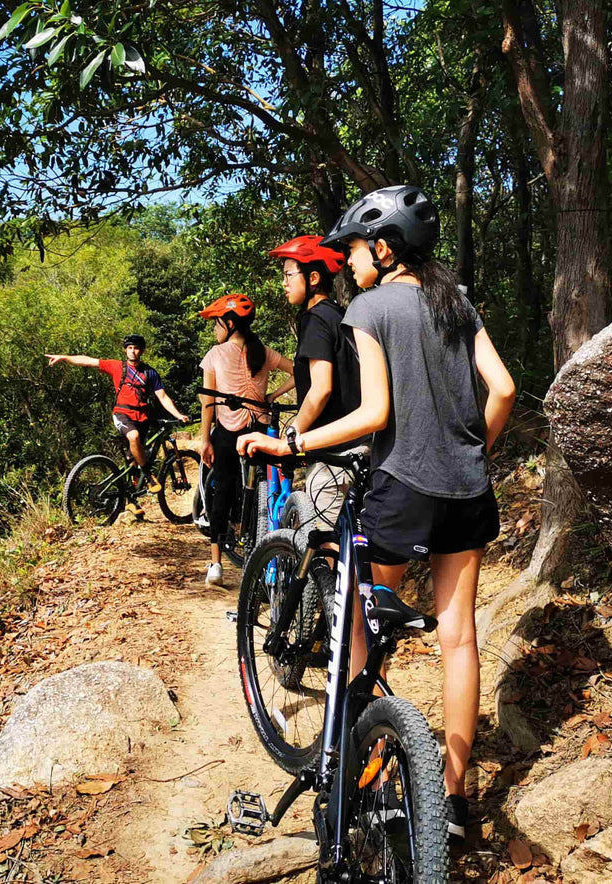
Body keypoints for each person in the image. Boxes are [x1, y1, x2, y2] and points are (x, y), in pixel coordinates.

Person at [239, 186, 516, 842]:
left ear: (384, 249)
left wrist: (291, 443)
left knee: (357, 619)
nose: (347, 263)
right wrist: (468, 453)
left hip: (401, 490)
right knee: (459, 639)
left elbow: (373, 416)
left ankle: (365, 750)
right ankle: (449, 797)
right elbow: (501, 389)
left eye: (354, 251)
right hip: (467, 491)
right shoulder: (457, 302)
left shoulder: (367, 307)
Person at [197, 294, 293, 587]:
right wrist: (272, 397)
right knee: (264, 489)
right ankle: (263, 550)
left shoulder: (215, 354)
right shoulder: (263, 351)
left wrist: (204, 439)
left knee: (221, 489)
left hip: (228, 431)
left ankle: (215, 563)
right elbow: (300, 372)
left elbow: (208, 402)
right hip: (260, 428)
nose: (215, 331)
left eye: (216, 325)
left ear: (228, 324)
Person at [266, 235, 361, 526]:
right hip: (361, 444)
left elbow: (321, 389)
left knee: (323, 544)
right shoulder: (340, 315)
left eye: (288, 275)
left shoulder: (315, 320)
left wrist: (291, 436)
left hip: (334, 453)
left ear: (314, 277)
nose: (283, 283)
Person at [45, 335, 188, 495]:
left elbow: (162, 396)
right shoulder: (117, 367)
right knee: (133, 437)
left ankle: (130, 500)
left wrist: (178, 414)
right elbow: (88, 360)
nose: (133, 351)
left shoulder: (150, 373)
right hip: (122, 414)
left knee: (135, 459)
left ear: (142, 351)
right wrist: (64, 358)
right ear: (126, 350)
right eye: (130, 348)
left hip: (142, 418)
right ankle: (149, 476)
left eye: (136, 348)